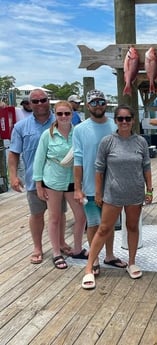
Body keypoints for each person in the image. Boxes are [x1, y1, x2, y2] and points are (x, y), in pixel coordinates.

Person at [81, 105, 153, 289]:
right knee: (104, 229)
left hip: (135, 193)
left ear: (133, 120)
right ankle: (89, 267)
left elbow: (146, 167)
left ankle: (132, 262)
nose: (124, 122)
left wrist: (149, 190)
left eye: (127, 118)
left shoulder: (141, 142)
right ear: (116, 121)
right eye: (120, 119)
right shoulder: (107, 141)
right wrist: (98, 193)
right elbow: (99, 169)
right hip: (112, 194)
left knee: (132, 227)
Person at [8, 89, 70, 264]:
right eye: (35, 101)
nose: (40, 103)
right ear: (29, 104)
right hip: (33, 180)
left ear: (48, 100)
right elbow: (13, 153)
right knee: (36, 214)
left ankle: (61, 242)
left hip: (59, 178)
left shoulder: (61, 119)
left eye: (43, 100)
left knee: (59, 214)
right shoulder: (20, 127)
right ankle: (38, 247)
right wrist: (13, 176)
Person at [73, 89, 125, 276]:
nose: (98, 105)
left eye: (101, 102)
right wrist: (77, 188)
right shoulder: (79, 129)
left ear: (106, 104)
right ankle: (93, 259)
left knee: (109, 224)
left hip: (113, 186)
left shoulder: (115, 125)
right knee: (93, 224)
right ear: (88, 106)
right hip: (89, 186)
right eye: (94, 102)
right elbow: (78, 160)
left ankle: (109, 255)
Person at [32, 101, 87, 269]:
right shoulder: (47, 135)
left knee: (81, 216)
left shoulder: (78, 133)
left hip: (73, 181)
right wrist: (39, 184)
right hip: (53, 181)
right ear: (54, 115)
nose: (63, 117)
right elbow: (39, 160)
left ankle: (77, 248)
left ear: (72, 114)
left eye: (67, 114)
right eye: (60, 114)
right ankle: (56, 253)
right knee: (54, 218)